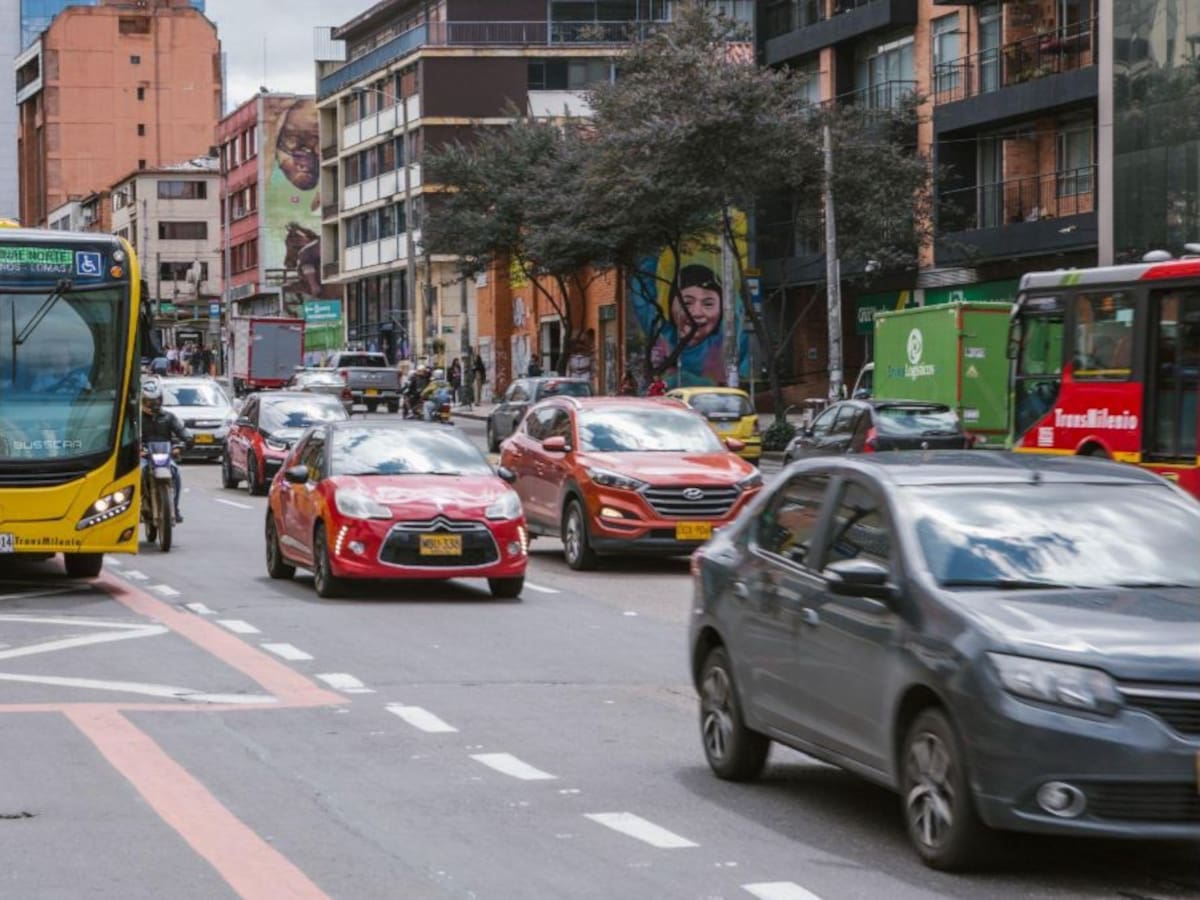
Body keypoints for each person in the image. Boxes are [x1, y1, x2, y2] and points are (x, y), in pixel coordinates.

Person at [140, 380, 191, 523]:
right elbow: (126, 437)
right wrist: (136, 449)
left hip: (164, 456)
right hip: (144, 456)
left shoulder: (169, 417)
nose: (153, 404)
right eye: (150, 401)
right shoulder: (135, 418)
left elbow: (184, 434)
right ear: (143, 401)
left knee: (176, 473)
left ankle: (174, 506)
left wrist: (179, 446)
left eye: (156, 400)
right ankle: (138, 506)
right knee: (140, 472)